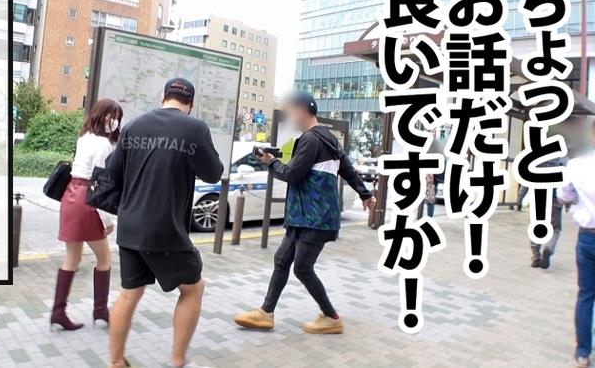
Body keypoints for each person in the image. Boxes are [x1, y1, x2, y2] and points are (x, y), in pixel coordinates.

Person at [233, 92, 375, 334]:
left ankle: (331, 317)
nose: (290, 116)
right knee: (282, 260)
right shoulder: (329, 139)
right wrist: (365, 194)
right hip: (305, 217)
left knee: (302, 268)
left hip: (314, 218)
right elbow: (349, 171)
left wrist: (270, 162)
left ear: (302, 110)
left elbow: (292, 174)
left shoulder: (311, 139)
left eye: (291, 111)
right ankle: (266, 313)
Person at [106, 78, 223, 368]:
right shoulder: (194, 128)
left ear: (163, 97)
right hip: (166, 228)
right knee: (193, 289)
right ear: (190, 103)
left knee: (129, 294)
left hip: (130, 226)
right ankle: (177, 360)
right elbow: (213, 173)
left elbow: (113, 172)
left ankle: (116, 361)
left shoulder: (134, 125)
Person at [51, 99, 123, 331]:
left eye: (117, 118)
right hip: (88, 199)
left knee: (72, 258)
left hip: (70, 196)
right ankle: (100, 311)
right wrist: (108, 220)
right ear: (101, 116)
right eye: (112, 116)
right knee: (104, 258)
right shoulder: (104, 144)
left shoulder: (83, 138)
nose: (114, 121)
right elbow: (101, 184)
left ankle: (58, 312)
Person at [557, 122, 595, 368]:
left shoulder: (577, 165)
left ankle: (583, 352)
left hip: (588, 236)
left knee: (586, 294)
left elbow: (564, 195)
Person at [529, 157, 567, 269]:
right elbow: (568, 184)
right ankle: (549, 247)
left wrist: (519, 199)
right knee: (555, 228)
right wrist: (567, 203)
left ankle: (536, 256)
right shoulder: (563, 162)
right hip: (556, 200)